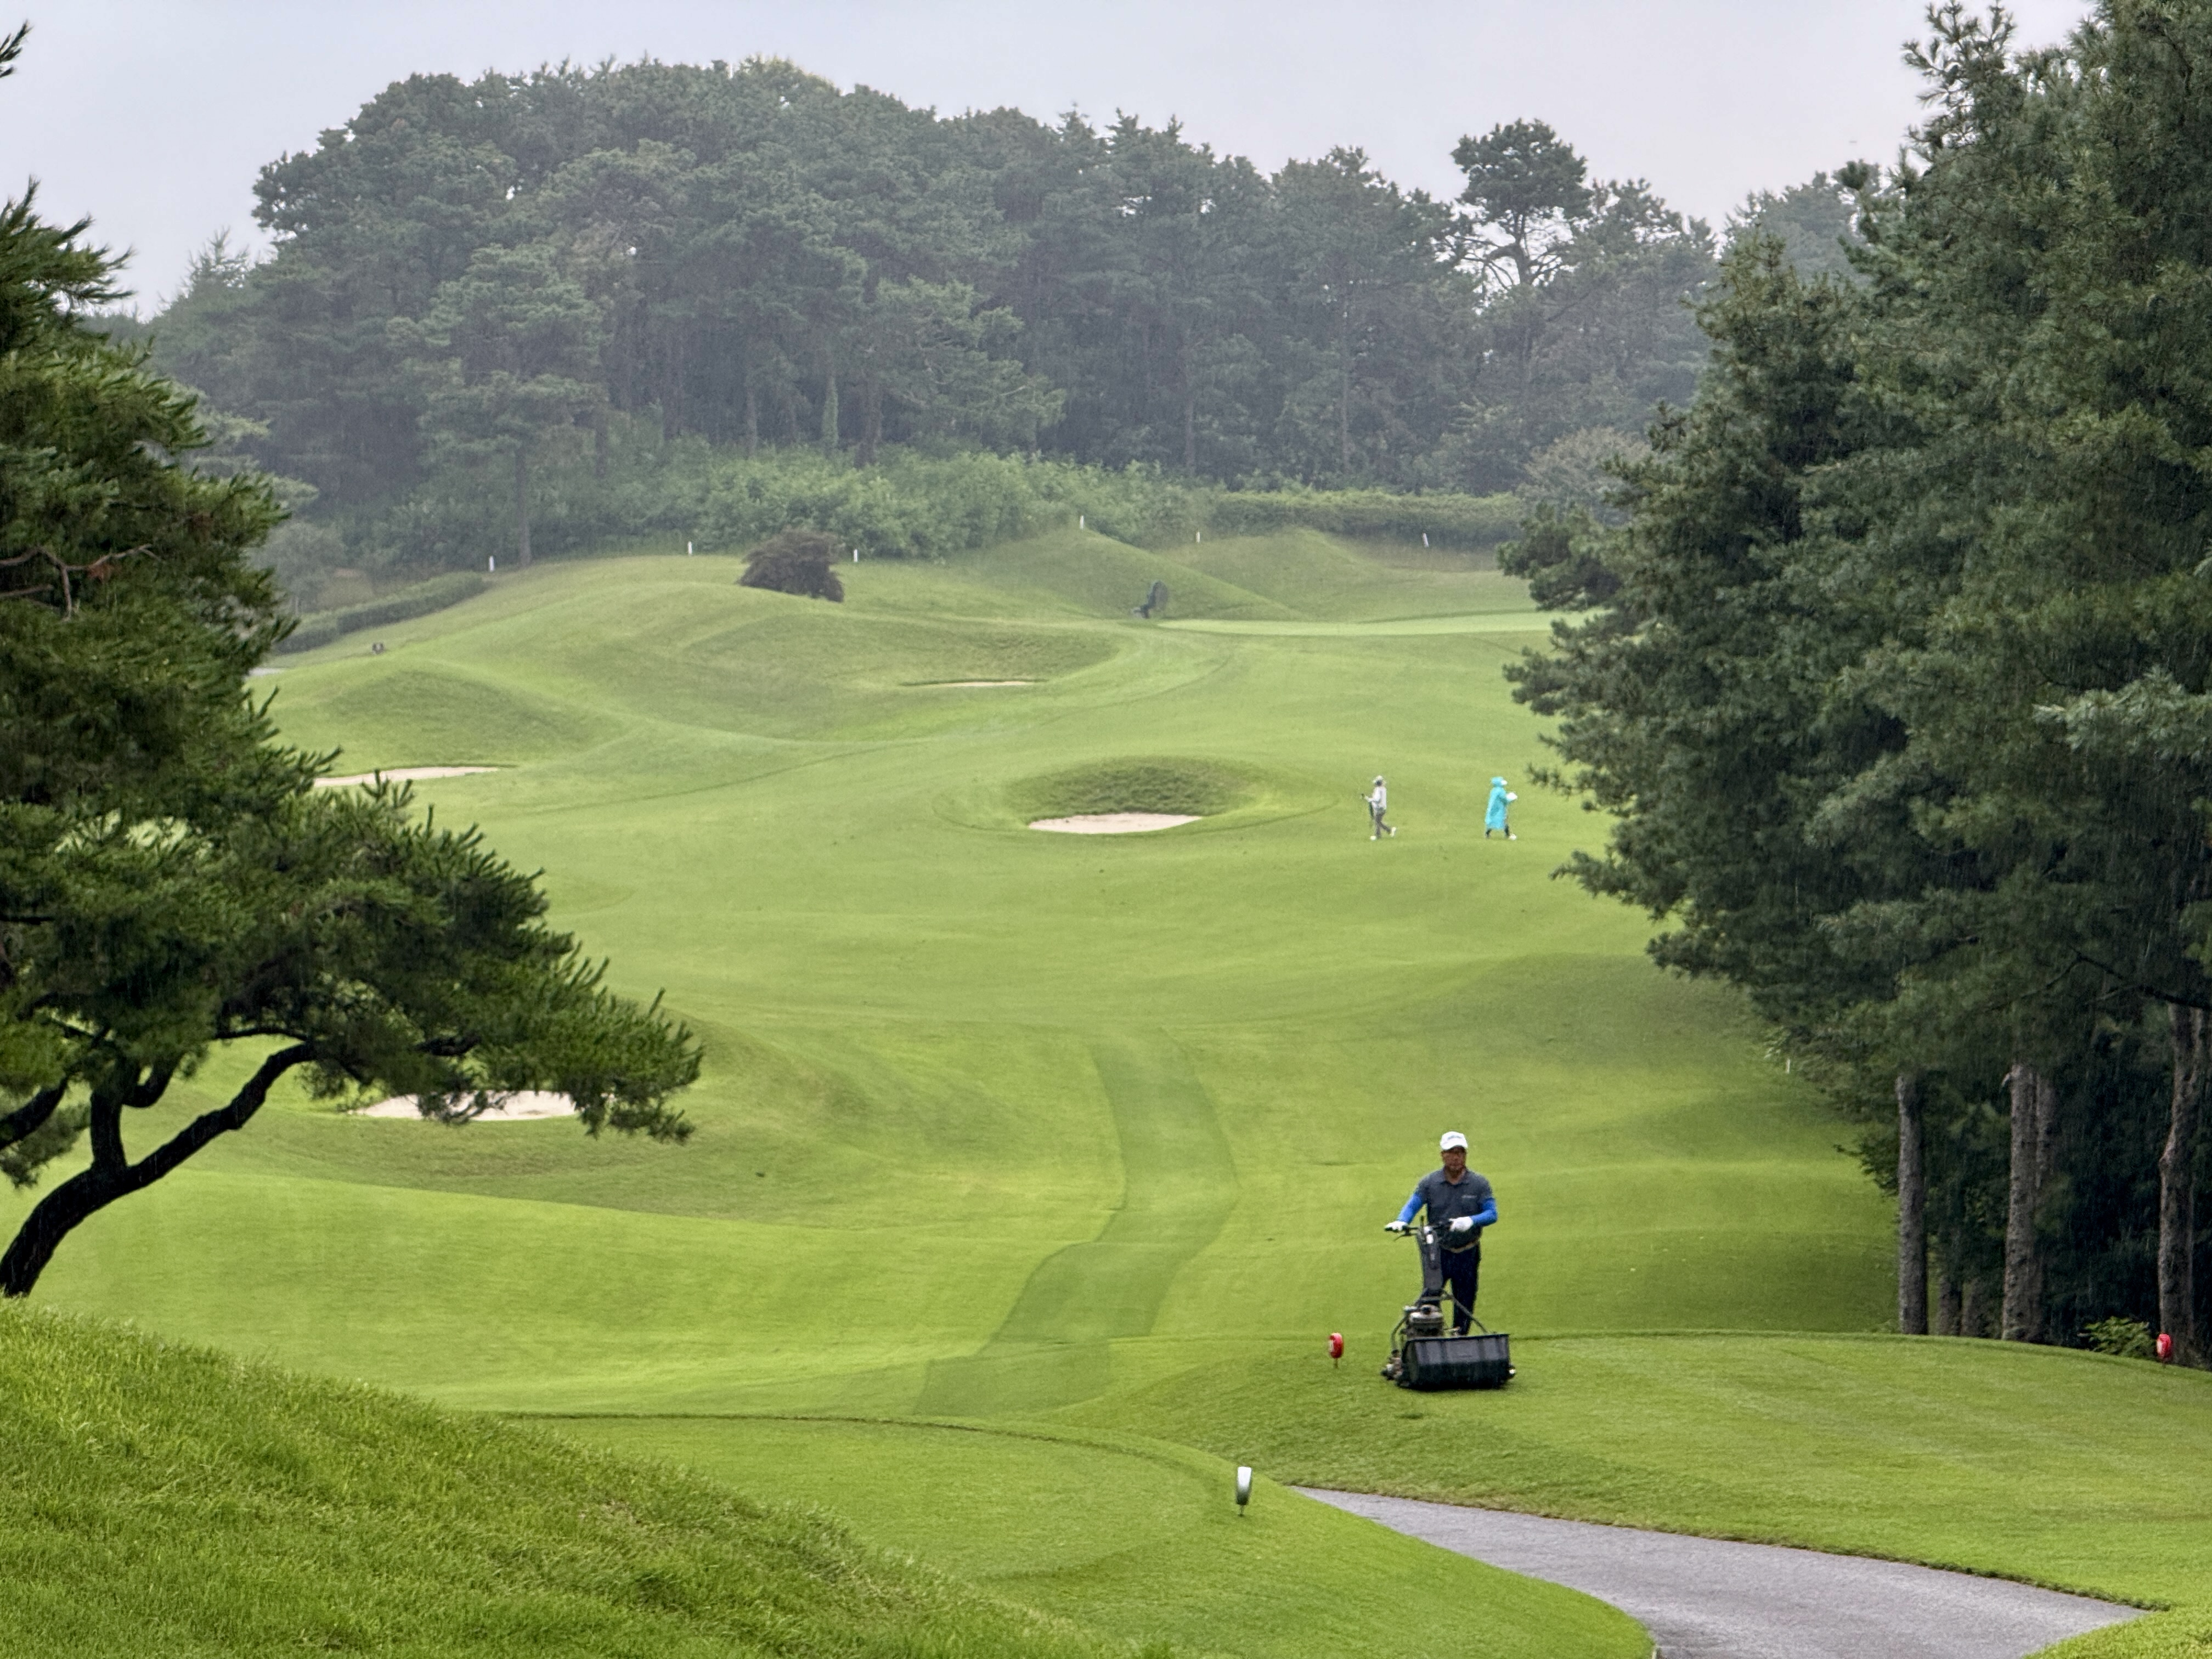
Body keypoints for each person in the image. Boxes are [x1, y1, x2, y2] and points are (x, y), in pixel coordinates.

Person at [1385, 1131, 1497, 1334]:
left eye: (1460, 1153)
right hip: (1438, 1252)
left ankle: (1460, 1338)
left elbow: (1491, 1214)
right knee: (1430, 1296)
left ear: (1465, 1155)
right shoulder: (1430, 1183)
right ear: (1443, 1155)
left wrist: (1471, 1221)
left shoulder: (1479, 1184)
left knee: (1465, 1300)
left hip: (1468, 1252)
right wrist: (1402, 1221)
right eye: (1451, 1153)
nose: (1455, 1158)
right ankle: (1427, 1336)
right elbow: (1413, 1204)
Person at [1485, 776, 1517, 840]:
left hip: (1493, 808)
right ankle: (1508, 835)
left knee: (1492, 821)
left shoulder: (1494, 790)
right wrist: (1511, 798)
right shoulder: (1501, 791)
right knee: (1504, 820)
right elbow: (1504, 799)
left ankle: (1487, 834)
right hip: (1500, 809)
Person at [1366, 775, 1396, 839]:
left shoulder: (1378, 790)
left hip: (1380, 808)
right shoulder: (1383, 789)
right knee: (1378, 821)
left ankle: (1389, 831)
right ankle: (1381, 834)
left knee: (1378, 821)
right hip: (1383, 808)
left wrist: (1370, 800)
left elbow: (1377, 799)